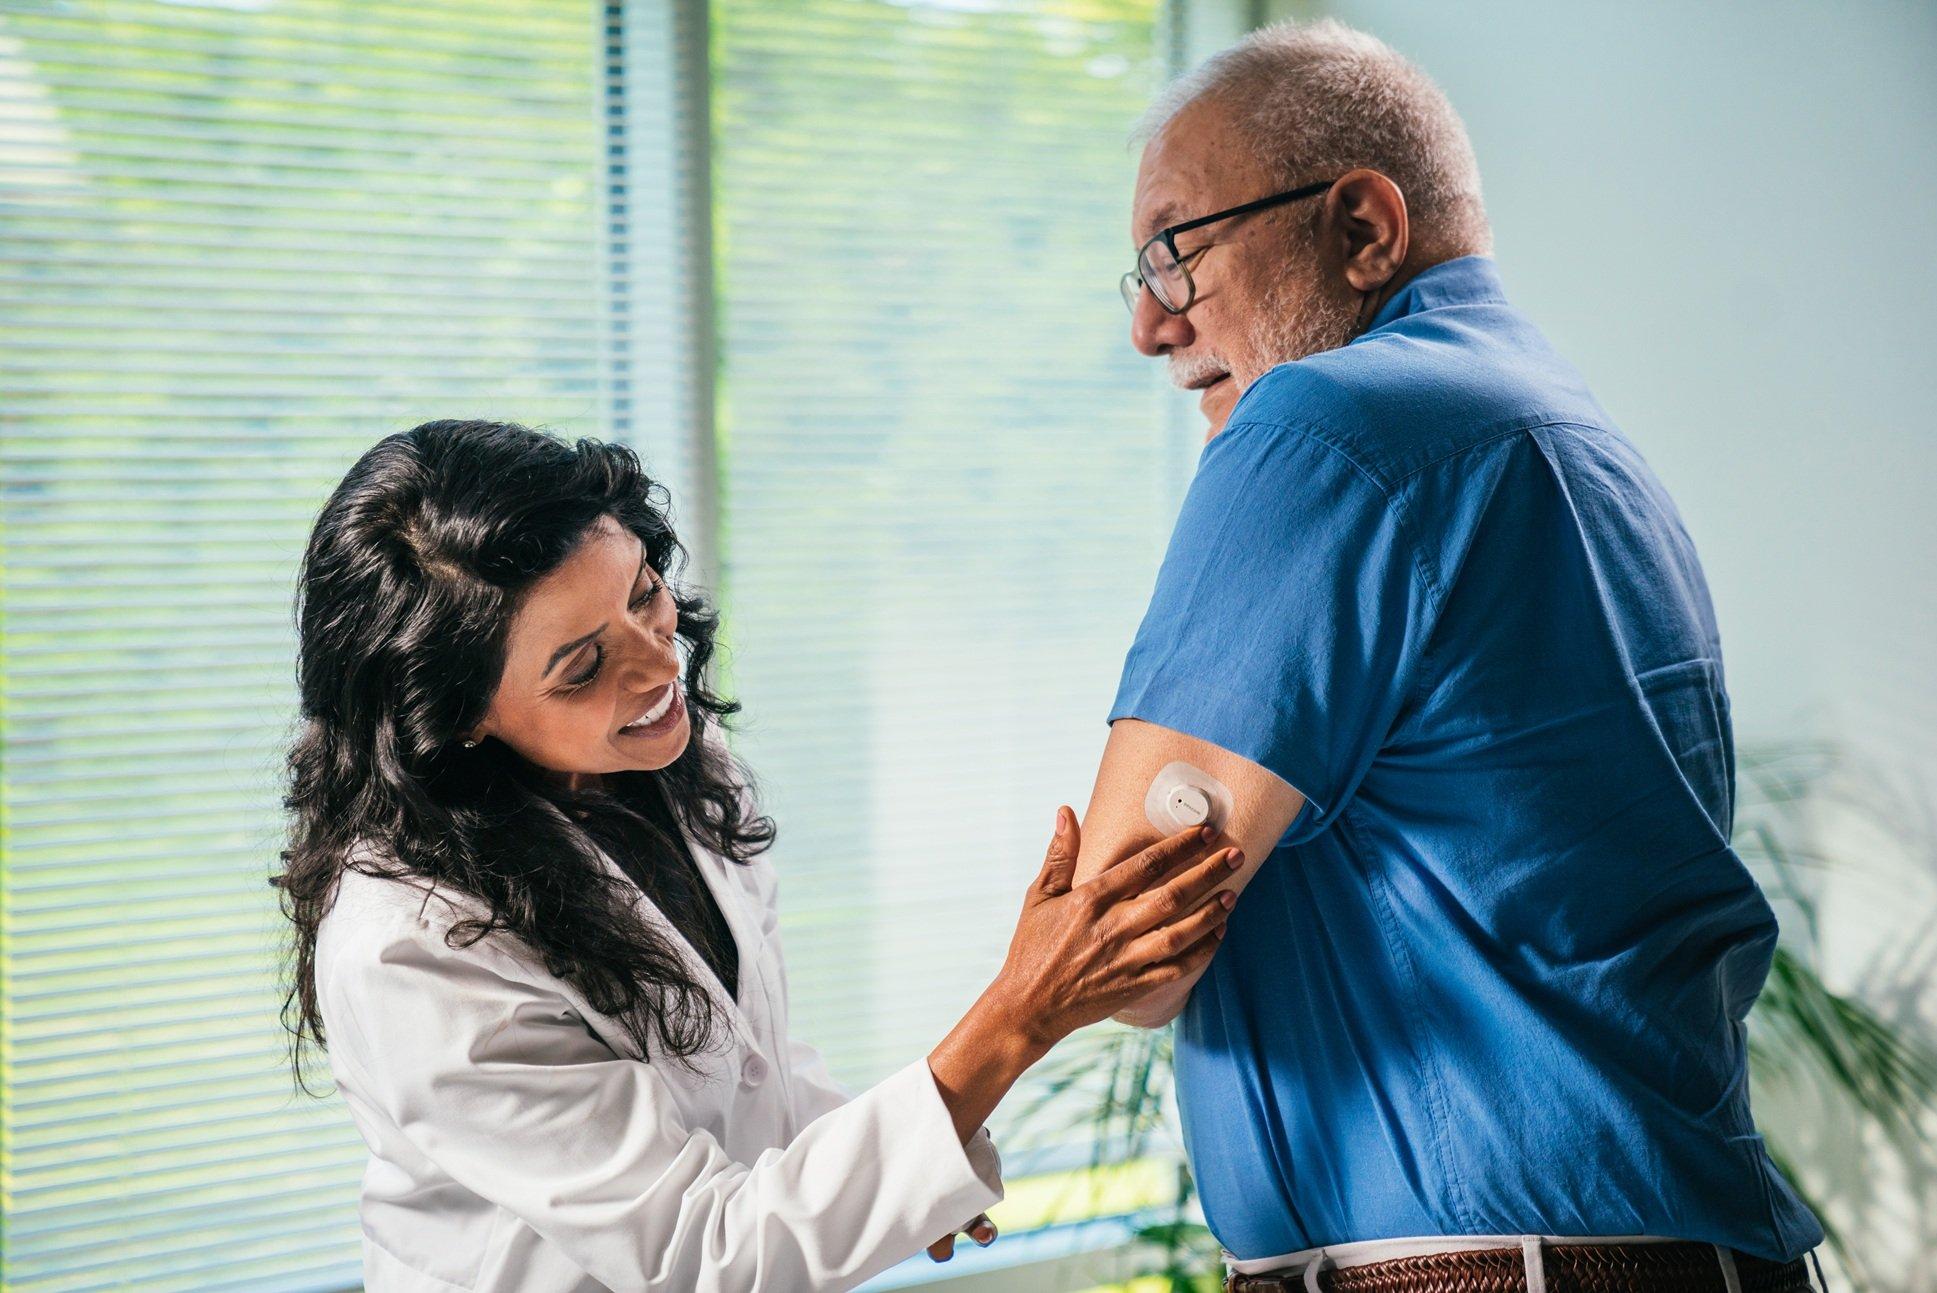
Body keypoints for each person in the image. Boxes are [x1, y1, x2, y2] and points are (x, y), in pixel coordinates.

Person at [1074, 18, 1828, 1293]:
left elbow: (1121, 950)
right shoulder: (1572, 439)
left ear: (1363, 228)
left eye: (1176, 251)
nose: (1151, 326)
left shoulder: (1321, 424)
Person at [274, 418, 1243, 1292]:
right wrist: (1019, 1015)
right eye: (583, 666)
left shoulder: (667, 766)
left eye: (643, 594)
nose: (661, 663)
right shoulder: (412, 948)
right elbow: (704, 1255)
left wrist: (911, 1156)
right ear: (453, 716)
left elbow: (750, 1069)